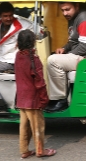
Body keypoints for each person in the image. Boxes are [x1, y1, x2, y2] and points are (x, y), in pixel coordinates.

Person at [0, 2, 33, 113]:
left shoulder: (24, 24)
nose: (8, 18)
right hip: (3, 58)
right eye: (5, 16)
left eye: (10, 15)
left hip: (14, 61)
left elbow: (34, 37)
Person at [15, 29, 56, 158]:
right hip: (33, 100)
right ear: (33, 42)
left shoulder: (18, 56)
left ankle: (24, 150)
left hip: (21, 99)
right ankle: (40, 150)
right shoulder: (34, 59)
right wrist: (44, 99)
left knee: (24, 127)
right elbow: (40, 82)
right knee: (38, 127)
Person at [46, 2, 86, 112]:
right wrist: (64, 48)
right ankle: (55, 97)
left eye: (67, 9)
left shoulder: (83, 18)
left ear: (77, 6)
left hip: (85, 57)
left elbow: (84, 47)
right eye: (62, 10)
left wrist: (68, 55)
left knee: (53, 61)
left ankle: (61, 100)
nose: (65, 13)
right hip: (78, 54)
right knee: (51, 56)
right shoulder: (72, 18)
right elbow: (73, 41)